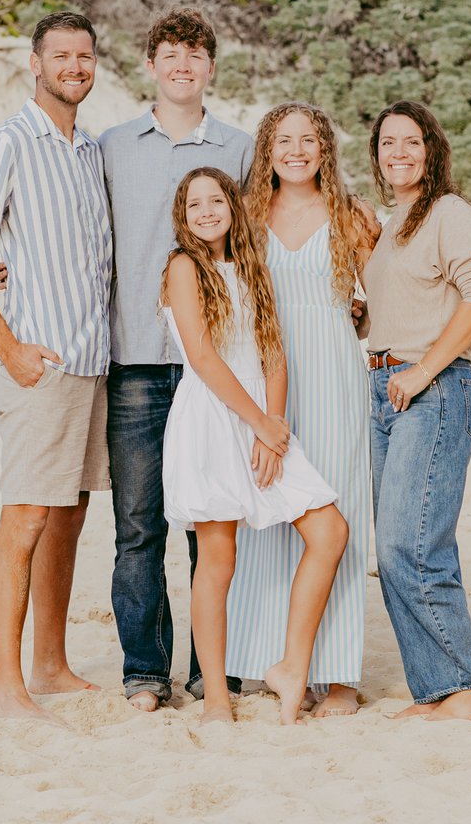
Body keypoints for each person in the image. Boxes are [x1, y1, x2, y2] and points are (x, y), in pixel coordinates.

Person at [0, 12, 113, 722]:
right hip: (40, 364)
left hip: (94, 360)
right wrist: (10, 348)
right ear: (35, 65)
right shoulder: (9, 143)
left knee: (69, 512)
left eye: (85, 55)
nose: (74, 66)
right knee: (26, 515)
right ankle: (6, 688)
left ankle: (50, 665)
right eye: (60, 55)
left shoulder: (90, 150)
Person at [97, 11, 253, 711]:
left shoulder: (240, 149)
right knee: (139, 526)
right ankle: (145, 671)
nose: (182, 65)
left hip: (214, 366)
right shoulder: (112, 146)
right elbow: (83, 234)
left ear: (211, 67)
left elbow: (261, 247)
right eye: (170, 53)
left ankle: (211, 671)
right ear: (151, 65)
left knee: (212, 524)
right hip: (135, 359)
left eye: (194, 54)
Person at [159, 166, 349, 725]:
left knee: (330, 531)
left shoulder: (251, 265)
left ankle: (291, 664)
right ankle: (217, 696)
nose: (207, 212)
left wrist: (274, 423)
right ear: (183, 216)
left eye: (216, 200)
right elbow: (203, 357)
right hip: (212, 418)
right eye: (195, 205)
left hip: (261, 418)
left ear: (233, 207)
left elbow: (273, 353)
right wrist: (257, 422)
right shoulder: (182, 267)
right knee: (218, 559)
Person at [226, 102, 380, 717]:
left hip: (334, 378)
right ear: (267, 149)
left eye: (309, 140)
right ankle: (279, 659)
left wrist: (361, 319)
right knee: (272, 512)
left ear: (325, 149)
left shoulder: (350, 216)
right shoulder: (246, 215)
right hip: (266, 380)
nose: (296, 151)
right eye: (284, 140)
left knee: (338, 510)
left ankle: (338, 675)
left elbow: (384, 299)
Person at [360, 100, 471, 721]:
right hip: (385, 388)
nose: (399, 153)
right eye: (387, 143)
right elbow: (401, 305)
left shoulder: (449, 212)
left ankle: (469, 683)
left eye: (411, 142)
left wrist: (422, 371)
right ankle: (437, 689)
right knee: (395, 548)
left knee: (411, 544)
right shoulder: (396, 223)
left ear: (431, 149)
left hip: (433, 391)